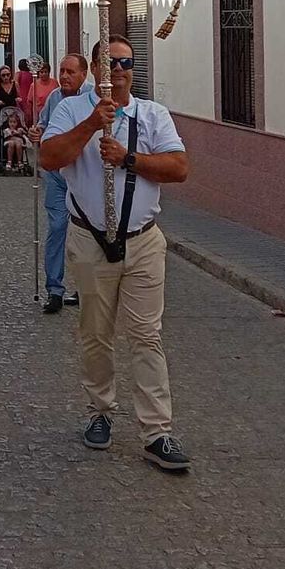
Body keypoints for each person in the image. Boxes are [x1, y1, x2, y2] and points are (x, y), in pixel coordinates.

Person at [39, 37, 192, 472]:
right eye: (110, 63)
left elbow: (179, 168)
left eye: (126, 63)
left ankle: (157, 432)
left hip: (144, 242)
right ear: (95, 69)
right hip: (89, 243)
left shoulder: (152, 115)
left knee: (147, 335)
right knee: (95, 332)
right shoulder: (70, 109)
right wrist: (91, 123)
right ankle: (100, 410)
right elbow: (50, 158)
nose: (119, 70)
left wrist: (129, 159)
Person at [32, 53, 87, 313]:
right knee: (57, 227)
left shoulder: (91, 99)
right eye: (62, 71)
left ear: (84, 75)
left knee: (86, 232)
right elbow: (43, 124)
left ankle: (87, 287)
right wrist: (37, 131)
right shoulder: (54, 98)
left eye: (70, 72)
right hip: (56, 175)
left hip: (82, 175)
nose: (64, 76)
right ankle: (54, 289)